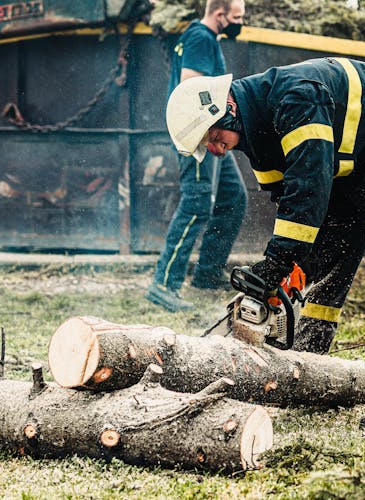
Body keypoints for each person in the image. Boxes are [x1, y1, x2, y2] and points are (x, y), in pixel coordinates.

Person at [165, 58, 365, 427]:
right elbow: (292, 205)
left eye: (213, 137)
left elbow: (308, 191)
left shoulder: (296, 98)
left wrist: (275, 264)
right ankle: (309, 361)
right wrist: (286, 273)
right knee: (330, 255)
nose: (216, 150)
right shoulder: (254, 139)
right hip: (352, 161)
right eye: (208, 144)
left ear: (228, 109)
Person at [146, 0, 248, 312]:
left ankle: (206, 275)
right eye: (236, 17)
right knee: (196, 204)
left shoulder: (202, 38)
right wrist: (210, 131)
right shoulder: (200, 38)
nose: (239, 23)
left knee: (234, 197)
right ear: (220, 15)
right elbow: (190, 88)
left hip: (209, 132)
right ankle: (164, 284)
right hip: (199, 134)